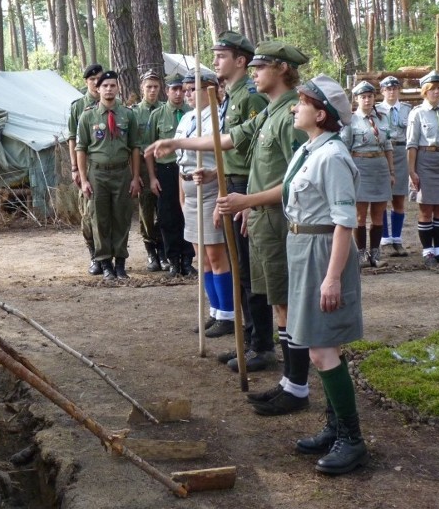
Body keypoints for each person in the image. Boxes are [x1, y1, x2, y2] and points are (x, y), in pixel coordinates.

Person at [151, 41, 312, 415]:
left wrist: (248, 200)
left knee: (285, 302)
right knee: (277, 302)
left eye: (261, 67)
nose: (254, 73)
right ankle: (291, 382)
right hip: (260, 217)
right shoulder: (270, 111)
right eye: (252, 66)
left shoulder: (291, 114)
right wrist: (177, 140)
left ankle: (297, 387)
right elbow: (227, 139)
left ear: (282, 70)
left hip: (281, 222)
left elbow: (298, 181)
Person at [284, 74, 368, 476]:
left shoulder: (332, 156)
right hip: (305, 249)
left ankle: (352, 439)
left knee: (322, 349)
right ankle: (336, 428)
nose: (295, 108)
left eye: (301, 103)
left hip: (323, 253)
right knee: (319, 346)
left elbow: (344, 222)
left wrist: (332, 278)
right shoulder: (311, 149)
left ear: (320, 114)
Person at [211, 30, 274, 372]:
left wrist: (248, 200)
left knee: (251, 272)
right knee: (240, 270)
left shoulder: (250, 97)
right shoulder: (231, 96)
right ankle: (248, 340)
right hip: (232, 183)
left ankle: (261, 345)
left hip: (247, 186)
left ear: (241, 60)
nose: (215, 61)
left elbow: (256, 155)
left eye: (221, 56)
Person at [176, 72, 234, 338]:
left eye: (192, 89)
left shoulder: (219, 118)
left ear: (209, 90)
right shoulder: (187, 119)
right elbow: (181, 162)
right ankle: (215, 311)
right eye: (185, 90)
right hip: (190, 189)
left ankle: (228, 314)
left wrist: (220, 200)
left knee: (216, 256)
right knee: (202, 259)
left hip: (211, 189)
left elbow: (226, 163)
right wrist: (182, 195)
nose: (187, 94)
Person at [76, 70, 142, 280]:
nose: (109, 89)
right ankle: (105, 263)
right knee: (100, 219)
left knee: (122, 218)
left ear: (118, 88)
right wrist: (84, 179)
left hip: (122, 173)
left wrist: (135, 176)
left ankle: (120, 263)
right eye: (105, 86)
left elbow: (134, 148)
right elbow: (81, 148)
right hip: (98, 175)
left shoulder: (128, 115)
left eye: (113, 85)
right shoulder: (88, 116)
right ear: (98, 89)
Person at [406, 71, 439, 268]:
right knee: (426, 207)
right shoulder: (417, 113)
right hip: (425, 160)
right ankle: (427, 251)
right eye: (433, 89)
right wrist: (411, 171)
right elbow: (411, 144)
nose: (437, 92)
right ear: (425, 92)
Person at [146, 74, 197, 277]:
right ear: (166, 91)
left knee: (188, 214)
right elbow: (148, 151)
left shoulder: (191, 114)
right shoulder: (157, 115)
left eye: (182, 90)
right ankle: (173, 260)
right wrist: (152, 177)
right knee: (168, 217)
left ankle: (187, 259)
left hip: (186, 169)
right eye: (174, 89)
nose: (178, 94)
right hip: (166, 171)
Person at [342, 81, 393, 268]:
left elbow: (388, 146)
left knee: (379, 214)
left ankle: (375, 254)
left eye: (370, 96)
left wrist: (391, 171)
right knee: (360, 215)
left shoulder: (382, 118)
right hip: (360, 166)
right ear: (357, 99)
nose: (367, 100)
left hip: (379, 166)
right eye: (363, 97)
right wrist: (348, 174)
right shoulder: (350, 120)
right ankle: (361, 255)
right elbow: (345, 149)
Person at [68, 63, 103, 275]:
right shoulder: (78, 106)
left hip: (106, 168)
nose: (96, 84)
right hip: (86, 166)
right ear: (86, 82)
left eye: (99, 80)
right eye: (92, 80)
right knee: (88, 213)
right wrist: (74, 168)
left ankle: (108, 256)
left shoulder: (112, 104)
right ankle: (94, 256)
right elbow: (72, 139)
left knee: (107, 214)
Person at [132, 70, 165, 271]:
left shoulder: (164, 110)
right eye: (149, 87)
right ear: (142, 88)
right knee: (146, 210)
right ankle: (151, 251)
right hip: (144, 166)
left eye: (156, 87)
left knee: (164, 211)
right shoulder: (134, 113)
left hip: (164, 165)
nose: (152, 91)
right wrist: (134, 174)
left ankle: (163, 251)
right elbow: (132, 146)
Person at [376, 76, 412, 257]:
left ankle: (397, 239)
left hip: (401, 153)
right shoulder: (376, 110)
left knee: (399, 198)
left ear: (399, 90)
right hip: (382, 155)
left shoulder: (407, 110)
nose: (392, 92)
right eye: (388, 89)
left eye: (395, 88)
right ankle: (385, 239)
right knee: (382, 198)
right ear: (382, 91)